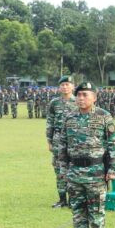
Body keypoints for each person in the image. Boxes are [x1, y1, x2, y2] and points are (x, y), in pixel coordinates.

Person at [57, 82, 115, 228]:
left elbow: (112, 145)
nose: (81, 98)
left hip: (96, 173)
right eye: (79, 95)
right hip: (74, 172)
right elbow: (62, 145)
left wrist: (113, 169)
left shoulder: (103, 116)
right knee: (78, 211)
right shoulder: (69, 117)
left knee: (96, 211)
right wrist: (63, 170)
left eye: (85, 94)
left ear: (94, 97)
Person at [46, 76, 76, 208]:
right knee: (59, 170)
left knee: (74, 169)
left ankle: (73, 200)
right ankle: (62, 199)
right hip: (58, 139)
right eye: (62, 85)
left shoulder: (78, 102)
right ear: (59, 87)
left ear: (72, 86)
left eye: (67, 84)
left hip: (74, 139)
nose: (65, 87)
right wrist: (49, 140)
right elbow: (50, 122)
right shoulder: (54, 103)